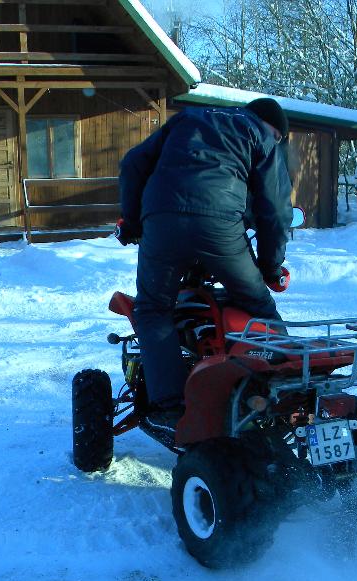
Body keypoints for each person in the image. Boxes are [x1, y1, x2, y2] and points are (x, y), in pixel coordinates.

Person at [118, 98, 294, 431]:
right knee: (257, 303)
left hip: (162, 220)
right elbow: (275, 211)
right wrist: (270, 268)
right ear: (270, 125)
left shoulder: (188, 118)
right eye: (278, 136)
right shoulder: (260, 134)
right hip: (220, 227)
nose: (277, 142)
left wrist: (131, 222)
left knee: (154, 310)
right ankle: (283, 385)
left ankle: (170, 408)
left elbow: (132, 164)